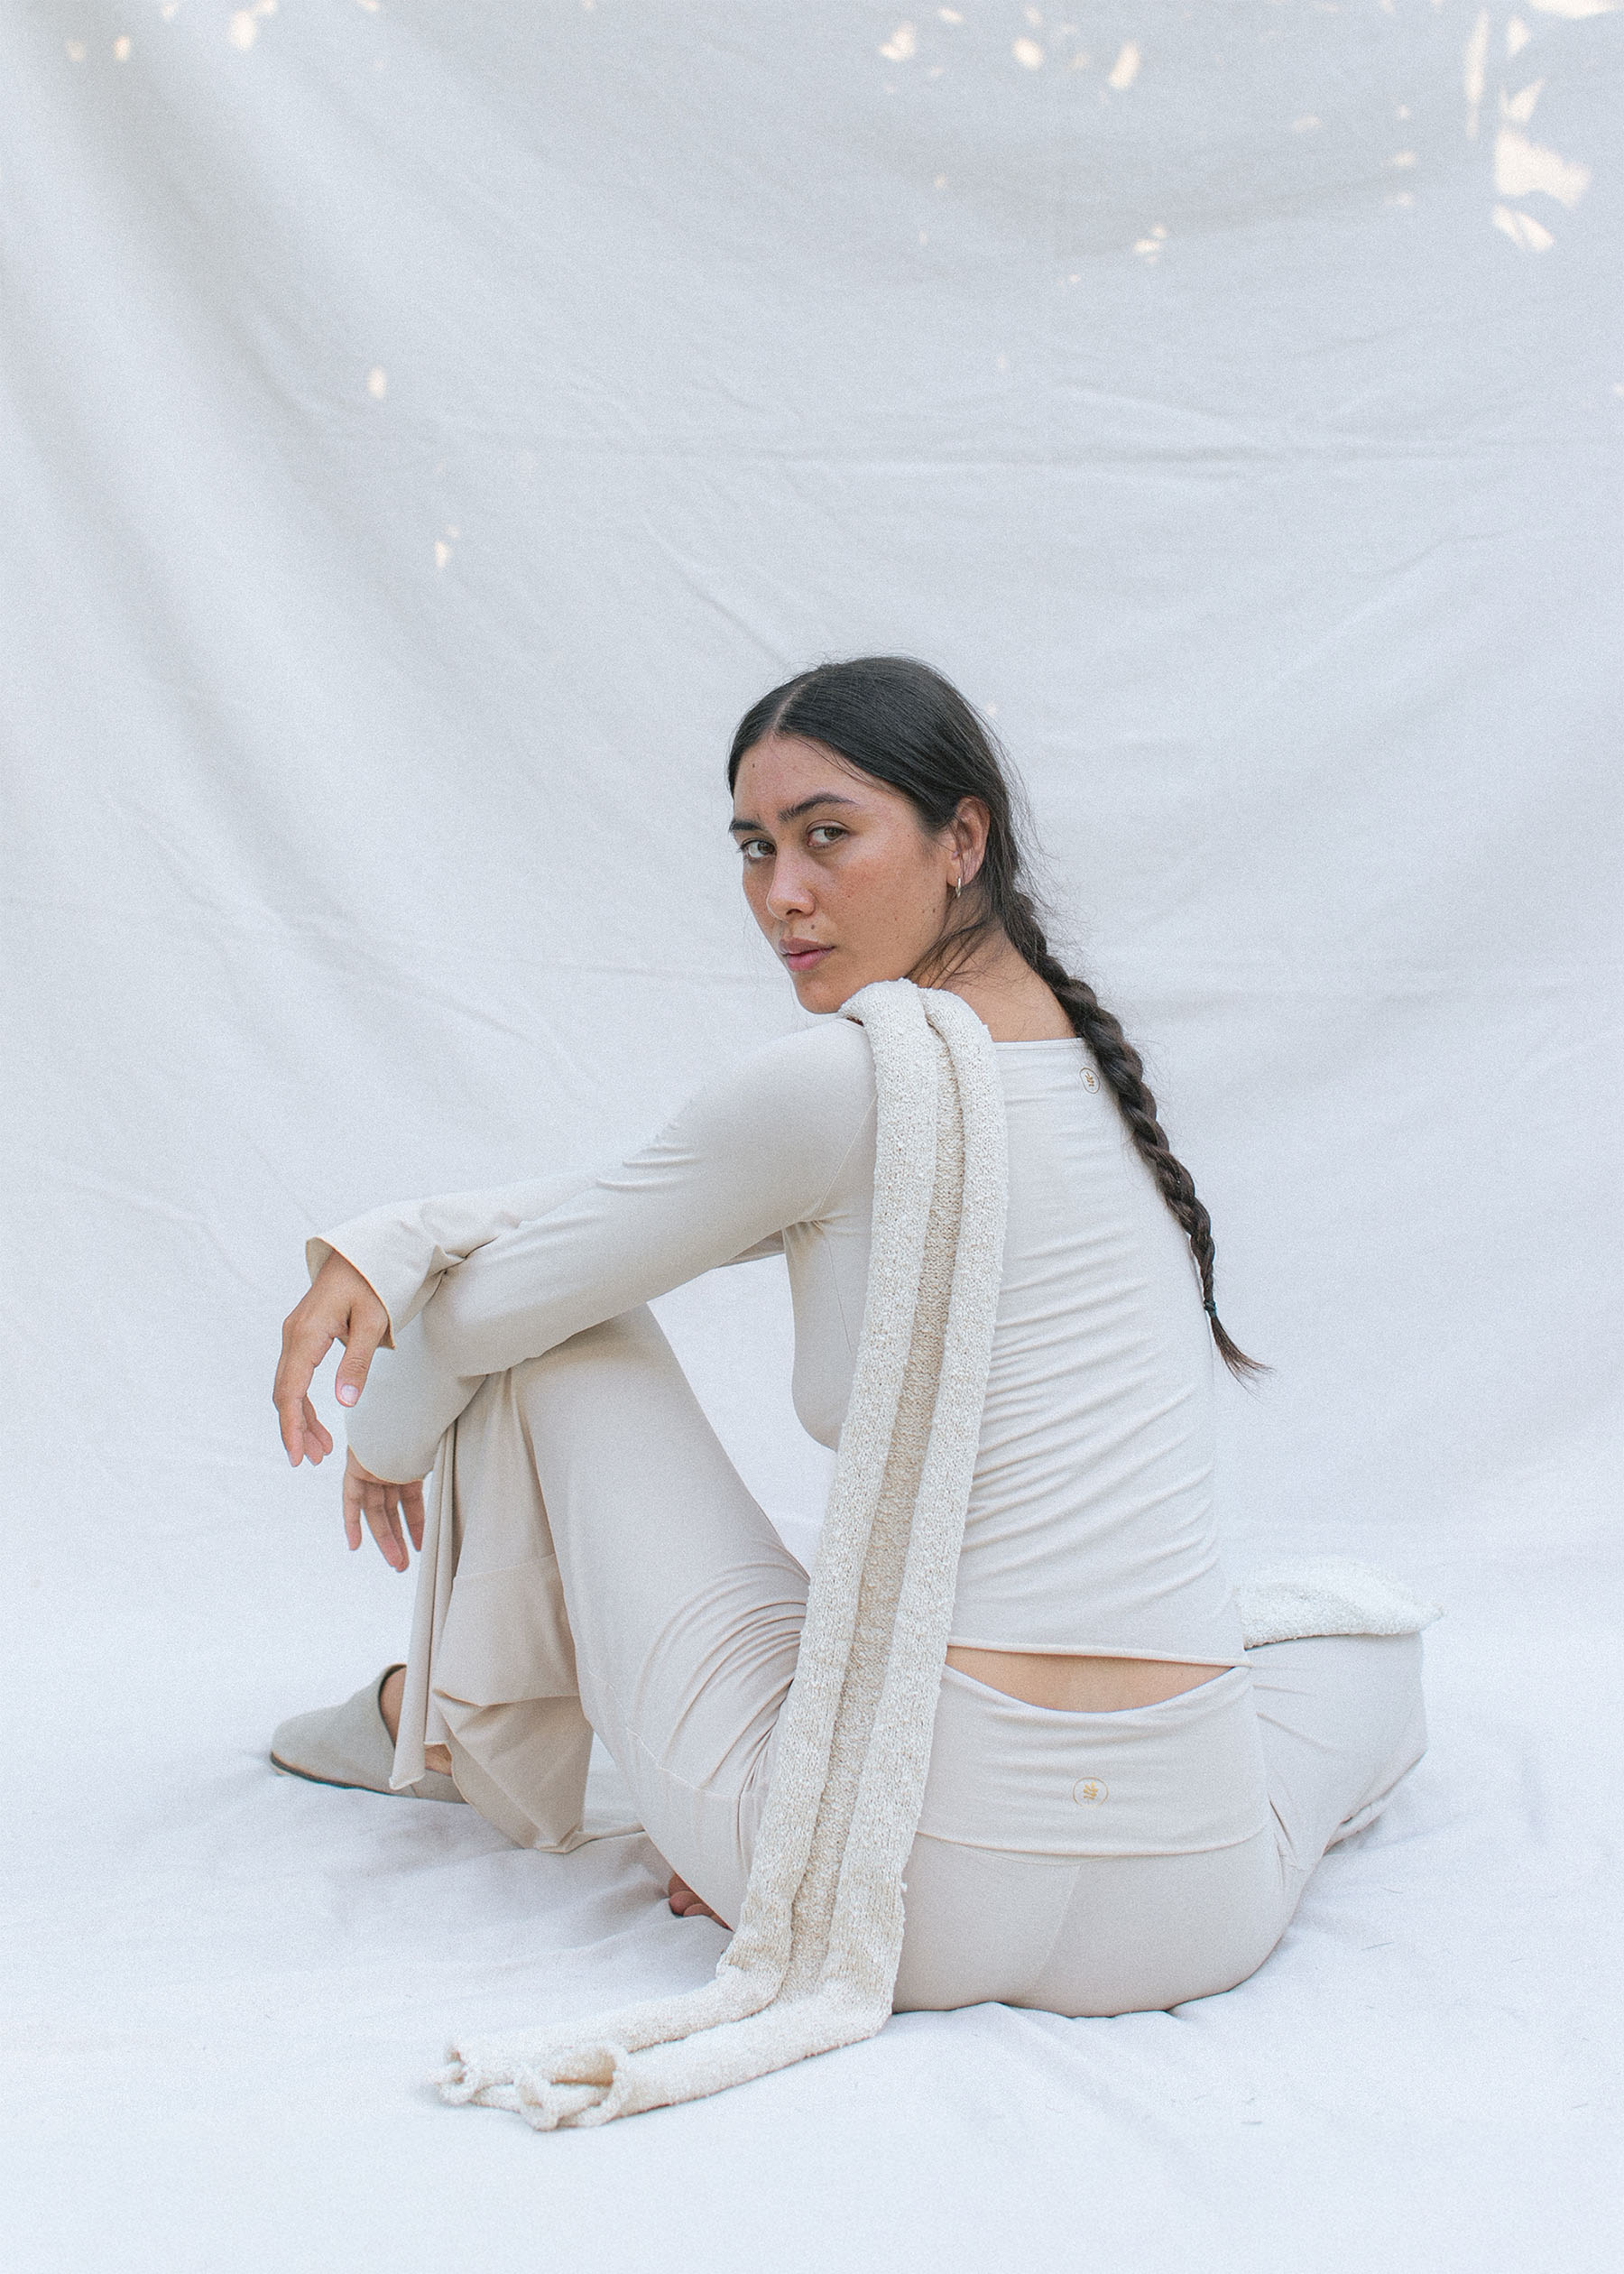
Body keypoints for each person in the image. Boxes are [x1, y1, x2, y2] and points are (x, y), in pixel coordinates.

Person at [270, 655, 1426, 2018]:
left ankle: (438, 1718)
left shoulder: (844, 1081)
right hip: (1200, 1906)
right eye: (755, 849)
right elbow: (647, 1200)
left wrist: (389, 1432)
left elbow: (502, 1300)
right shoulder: (1093, 1086)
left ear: (962, 839)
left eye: (827, 835)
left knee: (565, 1330)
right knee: (1368, 1649)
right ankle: (484, 1718)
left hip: (905, 1889)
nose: (783, 894)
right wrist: (396, 1236)